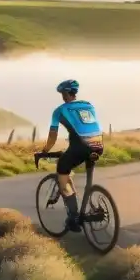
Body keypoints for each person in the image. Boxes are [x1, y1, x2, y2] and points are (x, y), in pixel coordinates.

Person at [38, 79, 103, 232]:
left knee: (62, 172)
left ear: (65, 93)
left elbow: (53, 137)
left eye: (62, 93)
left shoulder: (60, 110)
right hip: (98, 145)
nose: (62, 96)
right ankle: (91, 207)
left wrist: (45, 150)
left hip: (80, 147)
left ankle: (73, 218)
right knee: (87, 180)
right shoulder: (89, 105)